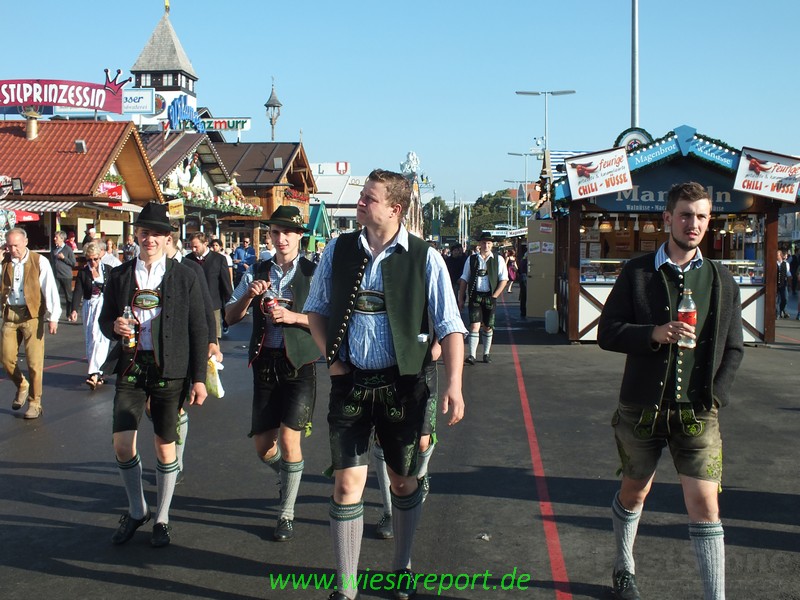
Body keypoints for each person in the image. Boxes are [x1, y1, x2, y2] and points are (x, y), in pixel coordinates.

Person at [304, 168, 466, 600]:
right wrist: (332, 358)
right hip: (350, 381)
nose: (359, 202)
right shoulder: (337, 251)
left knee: (402, 482)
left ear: (395, 209)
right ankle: (346, 587)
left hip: (404, 385)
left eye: (368, 198)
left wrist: (454, 385)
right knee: (346, 484)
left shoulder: (424, 257)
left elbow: (450, 326)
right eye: (362, 196)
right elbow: (316, 310)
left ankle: (402, 565)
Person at [597, 182, 744, 600]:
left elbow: (734, 347)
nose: (693, 223)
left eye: (700, 216)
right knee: (635, 490)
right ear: (667, 219)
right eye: (685, 215)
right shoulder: (638, 272)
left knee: (706, 504)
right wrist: (655, 333)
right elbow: (608, 332)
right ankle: (624, 565)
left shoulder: (721, 278)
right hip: (641, 407)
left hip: (698, 412)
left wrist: (715, 396)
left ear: (708, 220)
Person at [99, 202, 208, 548]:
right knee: (121, 444)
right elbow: (105, 320)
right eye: (145, 232)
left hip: (170, 368)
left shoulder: (186, 275)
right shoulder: (118, 275)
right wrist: (115, 326)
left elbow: (198, 328)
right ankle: (136, 510)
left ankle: (162, 516)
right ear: (137, 235)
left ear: (167, 238)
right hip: (132, 365)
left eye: (157, 233)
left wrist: (199, 377)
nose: (150, 239)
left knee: (165, 447)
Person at [226, 205, 320, 542]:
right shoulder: (256, 270)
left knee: (290, 438)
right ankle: (290, 475)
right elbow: (230, 316)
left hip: (299, 363)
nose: (280, 239)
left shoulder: (314, 272)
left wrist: (293, 318)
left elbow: (333, 319)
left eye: (287, 233)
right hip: (265, 362)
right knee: (264, 446)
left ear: (299, 236)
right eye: (275, 233)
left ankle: (286, 514)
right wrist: (249, 297)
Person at [1, 228, 61, 419]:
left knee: (35, 362)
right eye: (9, 246)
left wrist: (53, 316)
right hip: (10, 315)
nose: (12, 249)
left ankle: (35, 402)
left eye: (16, 245)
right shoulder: (4, 261)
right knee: (6, 358)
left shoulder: (39, 261)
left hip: (32, 316)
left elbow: (49, 288)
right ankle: (22, 384)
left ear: (25, 242)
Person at [458, 232, 508, 365]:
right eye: (484, 243)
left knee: (487, 326)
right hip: (475, 296)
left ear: (492, 245)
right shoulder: (472, 259)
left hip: (489, 297)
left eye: (489, 243)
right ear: (479, 244)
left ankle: (486, 353)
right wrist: (461, 298)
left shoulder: (498, 259)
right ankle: (472, 355)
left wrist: (495, 295)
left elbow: (504, 279)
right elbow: (464, 278)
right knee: (474, 325)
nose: (486, 245)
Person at [69, 242, 113, 390]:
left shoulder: (108, 270)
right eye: (89, 260)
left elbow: (114, 290)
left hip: (104, 306)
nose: (93, 262)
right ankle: (98, 373)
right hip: (90, 306)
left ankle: (93, 373)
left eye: (95, 259)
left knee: (100, 338)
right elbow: (78, 292)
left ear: (100, 257)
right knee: (91, 338)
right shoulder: (83, 273)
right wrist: (74, 309)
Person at [185, 232, 233, 341]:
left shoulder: (219, 259)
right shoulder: (187, 259)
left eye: (196, 246)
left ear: (205, 243)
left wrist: (229, 307)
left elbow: (226, 284)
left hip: (213, 306)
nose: (193, 250)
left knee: (213, 339)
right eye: (191, 246)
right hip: (193, 305)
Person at [51, 231, 77, 318]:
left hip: (66, 276)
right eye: (55, 237)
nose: (54, 239)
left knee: (68, 296)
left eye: (56, 237)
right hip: (56, 276)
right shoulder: (54, 249)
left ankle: (69, 314)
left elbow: (73, 263)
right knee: (54, 295)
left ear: (62, 239)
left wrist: (64, 258)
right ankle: (54, 314)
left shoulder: (68, 249)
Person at [211, 238, 234, 335]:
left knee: (224, 306)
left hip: (223, 284)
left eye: (216, 245)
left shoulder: (225, 257)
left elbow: (229, 271)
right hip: (215, 286)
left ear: (220, 246)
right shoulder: (210, 257)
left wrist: (230, 283)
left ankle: (225, 324)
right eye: (213, 245)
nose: (214, 247)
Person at [776, 249, 790, 319]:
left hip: (783, 284)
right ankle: (777, 313)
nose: (776, 256)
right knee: (776, 300)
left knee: (785, 299)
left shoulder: (786, 264)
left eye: (777, 255)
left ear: (781, 255)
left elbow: (788, 273)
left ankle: (781, 310)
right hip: (775, 284)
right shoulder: (774, 263)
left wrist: (789, 282)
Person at [518, 244, 528, 318]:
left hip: (522, 278)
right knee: (525, 295)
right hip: (525, 278)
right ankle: (524, 311)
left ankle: (523, 311)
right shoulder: (526, 261)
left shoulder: (522, 260)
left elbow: (519, 270)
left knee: (523, 296)